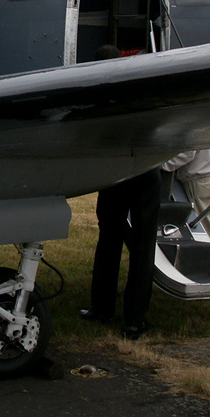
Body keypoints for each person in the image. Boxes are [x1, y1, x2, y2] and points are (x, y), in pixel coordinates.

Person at [82, 44, 161, 340]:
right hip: (143, 170)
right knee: (142, 247)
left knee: (109, 240)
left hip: (114, 174)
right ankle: (134, 319)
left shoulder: (96, 94)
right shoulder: (140, 88)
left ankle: (101, 308)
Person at [163, 147, 210, 250]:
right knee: (207, 225)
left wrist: (163, 164)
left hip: (201, 178)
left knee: (206, 230)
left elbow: (188, 153)